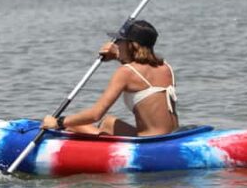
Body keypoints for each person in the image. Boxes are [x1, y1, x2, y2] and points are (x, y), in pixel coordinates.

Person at [41, 20, 178, 136]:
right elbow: (140, 76)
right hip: (172, 138)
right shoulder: (167, 68)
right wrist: (118, 56)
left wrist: (58, 122)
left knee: (73, 126)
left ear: (132, 45)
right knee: (109, 123)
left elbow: (95, 114)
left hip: (149, 144)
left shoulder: (125, 72)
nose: (116, 44)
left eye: (120, 41)